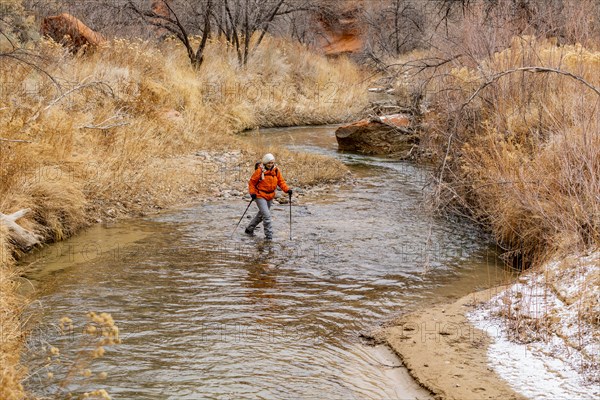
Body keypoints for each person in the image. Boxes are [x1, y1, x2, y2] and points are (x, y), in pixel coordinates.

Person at [245, 153, 292, 240]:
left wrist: (287, 190)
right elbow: (252, 182)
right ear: (265, 163)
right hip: (260, 195)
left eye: (272, 162)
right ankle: (269, 237)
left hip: (270, 196)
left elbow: (281, 182)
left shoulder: (276, 170)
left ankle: (249, 229)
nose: (270, 164)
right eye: (269, 163)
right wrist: (252, 193)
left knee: (261, 216)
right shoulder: (259, 171)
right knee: (267, 216)